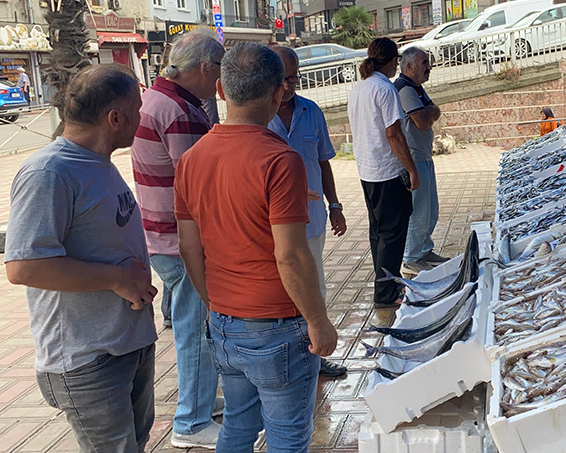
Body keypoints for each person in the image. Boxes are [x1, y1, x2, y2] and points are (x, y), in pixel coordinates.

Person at [174, 42, 338, 451]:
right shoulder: (280, 160)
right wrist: (318, 321)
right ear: (278, 92)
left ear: (222, 91)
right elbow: (291, 255)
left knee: (238, 425)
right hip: (278, 325)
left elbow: (189, 249)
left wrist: (212, 304)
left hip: (226, 322)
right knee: (287, 435)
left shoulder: (191, 160)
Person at [4, 64, 158, 452]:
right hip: (87, 358)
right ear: (115, 117)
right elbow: (24, 266)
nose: (143, 117)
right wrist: (118, 278)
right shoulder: (49, 173)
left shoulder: (97, 162)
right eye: (138, 109)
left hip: (127, 342)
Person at [129, 29, 226, 449]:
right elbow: (198, 183)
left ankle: (201, 401)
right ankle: (190, 421)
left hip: (159, 233)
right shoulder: (180, 110)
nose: (220, 80)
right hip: (179, 240)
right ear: (205, 68)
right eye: (219, 69)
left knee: (193, 325)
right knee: (196, 329)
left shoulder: (158, 98)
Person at [267, 45, 348, 378]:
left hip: (311, 221)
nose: (288, 86)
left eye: (294, 78)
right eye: (282, 79)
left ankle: (315, 359)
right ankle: (285, 363)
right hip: (270, 226)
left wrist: (335, 205)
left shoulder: (311, 111)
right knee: (279, 295)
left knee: (314, 289)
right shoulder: (256, 116)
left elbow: (324, 162)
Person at [348, 37, 421, 308]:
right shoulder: (385, 89)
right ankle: (386, 294)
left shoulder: (360, 88)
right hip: (388, 171)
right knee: (393, 233)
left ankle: (387, 281)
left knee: (379, 233)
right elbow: (394, 134)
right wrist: (411, 169)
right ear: (393, 61)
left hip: (367, 170)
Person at [395, 46, 448, 274]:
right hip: (413, 158)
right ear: (410, 67)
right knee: (419, 211)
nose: (430, 67)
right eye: (424, 63)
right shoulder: (404, 89)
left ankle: (424, 250)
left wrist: (431, 110)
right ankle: (411, 257)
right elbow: (424, 121)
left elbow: (434, 111)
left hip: (424, 156)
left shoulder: (417, 89)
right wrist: (431, 111)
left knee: (431, 210)